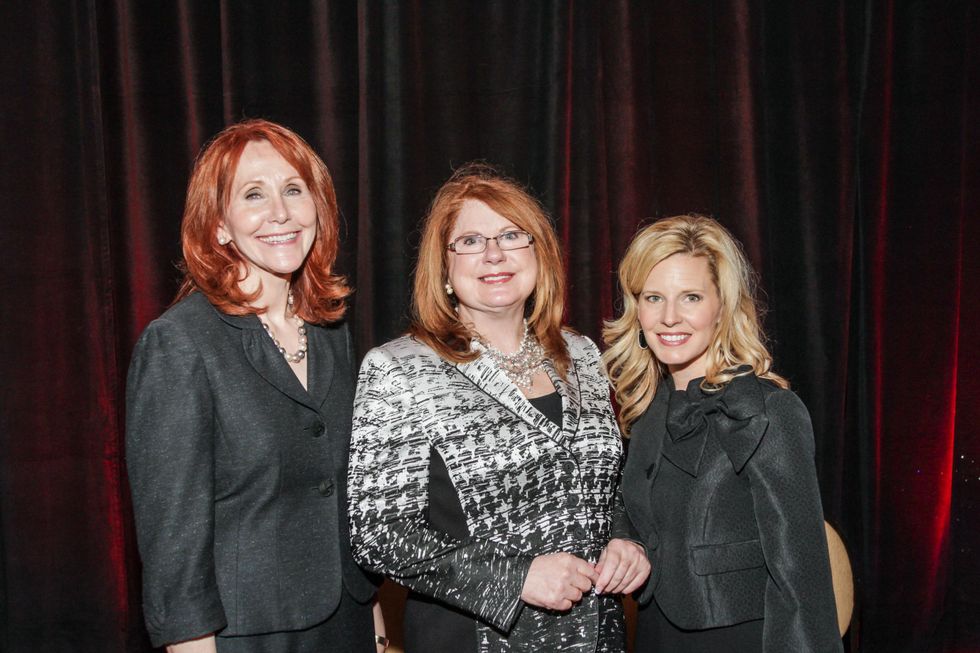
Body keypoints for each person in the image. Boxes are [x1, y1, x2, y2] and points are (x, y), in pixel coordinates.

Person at [347, 164, 649, 652]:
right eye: (469, 241)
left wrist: (626, 540)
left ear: (538, 253)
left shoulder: (582, 353)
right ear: (444, 269)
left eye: (512, 235)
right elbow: (378, 534)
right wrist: (515, 578)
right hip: (474, 638)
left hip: (598, 634)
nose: (494, 254)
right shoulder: (399, 368)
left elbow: (603, 483)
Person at [126, 119, 384, 653]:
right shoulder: (179, 343)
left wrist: (374, 614)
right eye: (253, 195)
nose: (280, 213)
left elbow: (339, 490)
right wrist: (190, 644)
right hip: (244, 633)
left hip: (346, 621)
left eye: (294, 190)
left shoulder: (330, 328)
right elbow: (173, 535)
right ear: (219, 225)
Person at [602, 215, 843, 652]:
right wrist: (623, 538)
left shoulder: (766, 410)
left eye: (690, 297)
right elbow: (632, 507)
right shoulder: (646, 409)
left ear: (722, 307)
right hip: (656, 631)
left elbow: (801, 573)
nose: (669, 317)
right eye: (654, 297)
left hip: (745, 637)